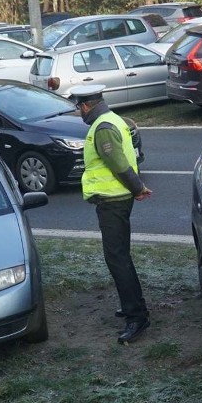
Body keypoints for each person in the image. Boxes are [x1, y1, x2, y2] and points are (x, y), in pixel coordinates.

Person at [72, 84, 153, 344]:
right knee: (121, 256)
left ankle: (136, 316)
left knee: (116, 258)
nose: (79, 112)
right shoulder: (112, 119)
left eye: (79, 107)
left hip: (113, 201)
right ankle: (132, 306)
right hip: (115, 199)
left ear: (86, 105)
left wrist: (138, 188)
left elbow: (119, 164)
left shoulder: (103, 127)